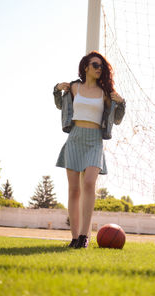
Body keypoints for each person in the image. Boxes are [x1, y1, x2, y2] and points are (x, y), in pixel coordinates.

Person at [53, 51, 125, 248]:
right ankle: (75, 237)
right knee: (74, 190)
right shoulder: (74, 87)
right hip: (75, 138)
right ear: (85, 67)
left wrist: (121, 103)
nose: (99, 68)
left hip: (94, 141)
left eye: (101, 66)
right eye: (95, 65)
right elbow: (60, 105)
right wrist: (56, 89)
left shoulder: (105, 93)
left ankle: (85, 236)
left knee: (90, 183)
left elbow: (116, 119)